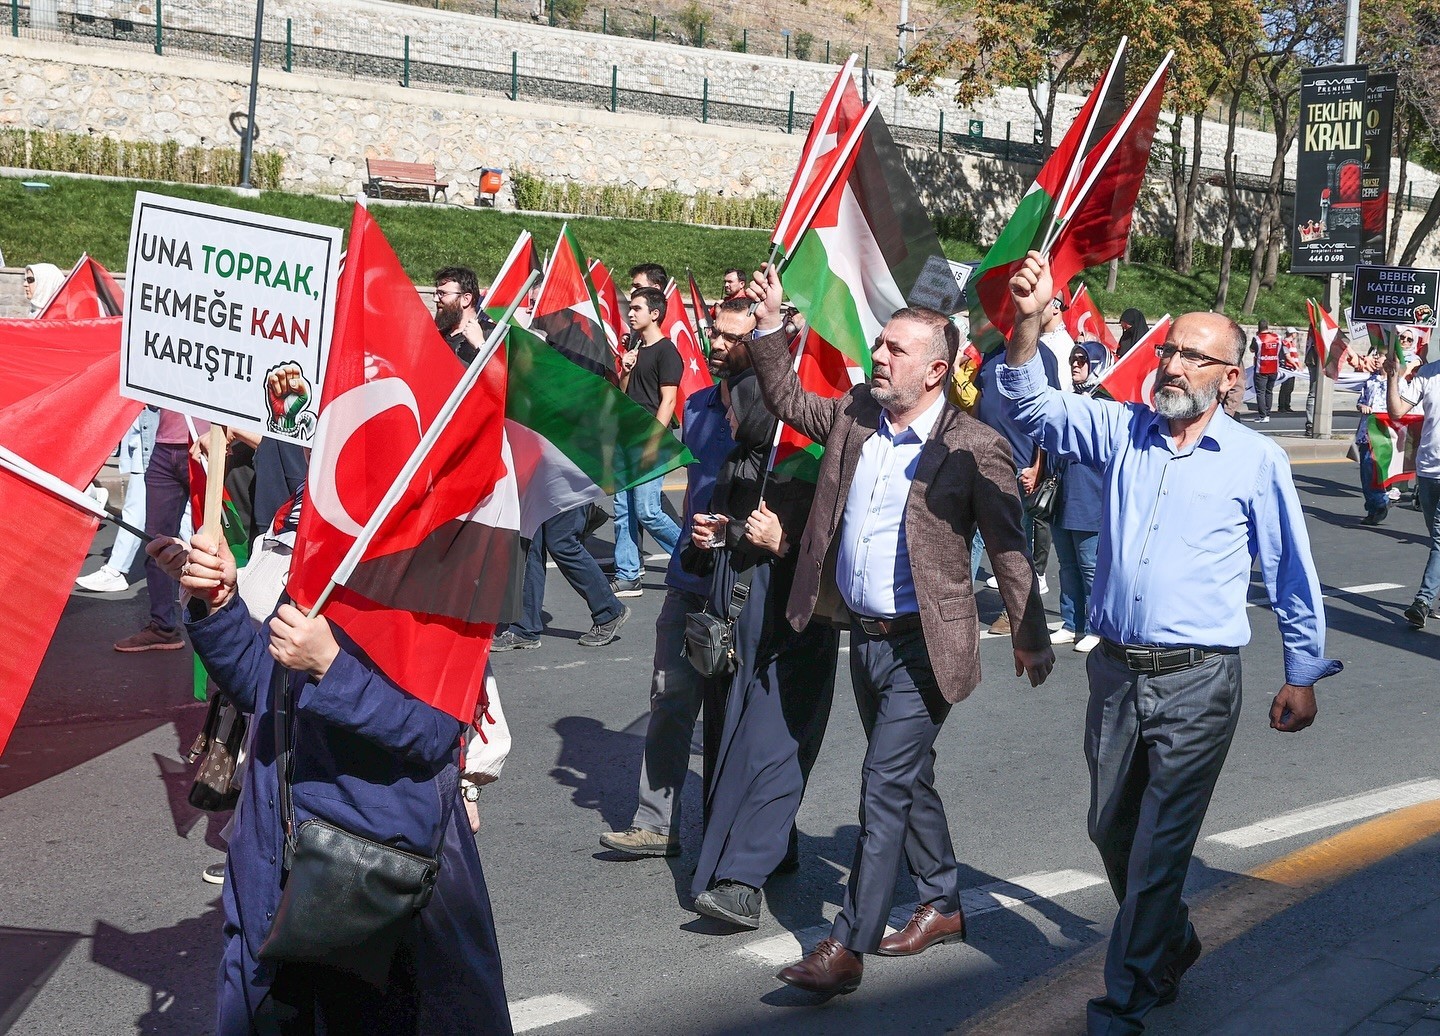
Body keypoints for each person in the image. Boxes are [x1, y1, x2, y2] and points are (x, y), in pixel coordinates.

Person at [1001, 251, 1340, 1034]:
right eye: (1170, 350)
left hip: (1200, 683)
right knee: (1110, 829)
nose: (1174, 364)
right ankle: (1172, 939)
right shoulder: (1124, 430)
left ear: (1230, 378)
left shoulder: (1256, 461)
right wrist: (1025, 321)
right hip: (1117, 675)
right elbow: (1032, 407)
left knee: (1157, 847)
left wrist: (1302, 670)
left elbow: (1290, 568)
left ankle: (1123, 1000)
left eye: (1195, 356)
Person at [743, 265, 1053, 996]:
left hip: (926, 645)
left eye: (895, 351)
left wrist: (1027, 630)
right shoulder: (854, 414)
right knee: (909, 776)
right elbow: (786, 397)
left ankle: (847, 946)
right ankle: (942, 899)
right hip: (866, 637)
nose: (877, 358)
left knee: (882, 782)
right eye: (879, 346)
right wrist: (766, 326)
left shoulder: (972, 445)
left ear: (937, 370)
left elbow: (1010, 545)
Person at [156, 529, 512, 1034]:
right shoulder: (320, 551)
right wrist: (219, 606)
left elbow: (436, 734)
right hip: (270, 854)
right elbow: (263, 686)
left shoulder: (442, 565)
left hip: (365, 878)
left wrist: (331, 668)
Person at [688, 373, 840, 931]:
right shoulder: (740, 461)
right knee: (736, 734)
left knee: (771, 745)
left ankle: (741, 880)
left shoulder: (814, 466)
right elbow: (718, 545)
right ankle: (777, 844)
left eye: (734, 408)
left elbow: (838, 551)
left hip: (795, 626)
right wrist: (713, 535)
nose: (726, 418)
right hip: (738, 624)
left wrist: (784, 543)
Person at [601, 299, 750, 858]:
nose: (715, 345)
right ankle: (656, 823)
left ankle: (742, 832)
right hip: (690, 575)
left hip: (740, 583)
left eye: (730, 337)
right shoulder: (700, 406)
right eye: (714, 333)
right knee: (669, 696)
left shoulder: (771, 413)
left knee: (735, 713)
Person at [432, 274, 628, 651]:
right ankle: (525, 627)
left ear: (467, 298)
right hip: (516, 455)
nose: (534, 307)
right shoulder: (453, 337)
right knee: (527, 541)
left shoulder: (520, 340)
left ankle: (607, 610)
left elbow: (517, 387)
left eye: (443, 293)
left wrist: (482, 346)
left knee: (561, 540)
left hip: (556, 455)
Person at [610, 286, 683, 598]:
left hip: (650, 441)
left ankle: (692, 558)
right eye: (630, 308)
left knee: (648, 511)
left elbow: (668, 401)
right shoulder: (636, 348)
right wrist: (625, 370)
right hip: (627, 438)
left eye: (637, 308)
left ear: (655, 314)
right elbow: (626, 393)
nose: (630, 313)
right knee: (623, 508)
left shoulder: (667, 353)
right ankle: (627, 574)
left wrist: (652, 442)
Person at [114, 409, 207, 652]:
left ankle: (220, 625)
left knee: (213, 541)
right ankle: (163, 627)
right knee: (157, 543)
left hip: (206, 444)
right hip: (164, 446)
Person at [1051, 342, 1107, 653]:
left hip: (1090, 496)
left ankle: (1095, 626)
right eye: (1073, 360)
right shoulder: (1070, 399)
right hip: (1064, 492)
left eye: (1083, 361)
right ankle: (1071, 622)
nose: (1075, 365)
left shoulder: (1106, 403)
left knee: (1090, 566)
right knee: (1067, 564)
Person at [1384, 344, 1440, 630]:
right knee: (1436, 538)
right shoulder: (1428, 374)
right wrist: (1393, 376)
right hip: (1429, 471)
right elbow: (1396, 411)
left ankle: (1422, 600)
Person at [77, 407, 159, 593]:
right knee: (184, 511)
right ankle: (204, 564)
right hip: (150, 440)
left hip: (155, 441)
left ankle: (116, 570)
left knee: (137, 507)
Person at [1353, 352, 1391, 526]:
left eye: (1380, 356)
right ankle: (1372, 509)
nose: (1376, 359)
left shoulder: (1394, 383)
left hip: (1383, 433)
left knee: (1375, 469)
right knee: (1366, 473)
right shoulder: (1370, 382)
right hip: (1366, 432)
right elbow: (1361, 401)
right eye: (1375, 356)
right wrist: (1362, 406)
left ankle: (1381, 501)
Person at [434, 266, 494, 364]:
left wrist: (480, 345)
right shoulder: (438, 337)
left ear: (466, 299)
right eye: (436, 294)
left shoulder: (491, 335)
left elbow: (501, 375)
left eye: (442, 293)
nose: (436, 299)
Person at [1249, 318, 1280, 423]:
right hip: (1274, 368)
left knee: (1260, 392)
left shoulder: (1257, 339)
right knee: (1269, 391)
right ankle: (1268, 414)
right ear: (1268, 326)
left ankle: (1263, 416)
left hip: (1261, 369)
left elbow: (1251, 349)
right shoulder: (1277, 337)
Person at [1277, 327, 1302, 412]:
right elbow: (1287, 356)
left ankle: (1287, 405)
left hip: (1292, 369)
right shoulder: (1285, 343)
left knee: (1290, 388)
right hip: (1287, 368)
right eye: (1295, 333)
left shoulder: (1291, 343)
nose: (1296, 335)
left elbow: (1294, 356)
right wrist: (1296, 365)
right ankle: (1282, 407)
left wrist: (1298, 365)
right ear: (1292, 334)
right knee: (1285, 388)